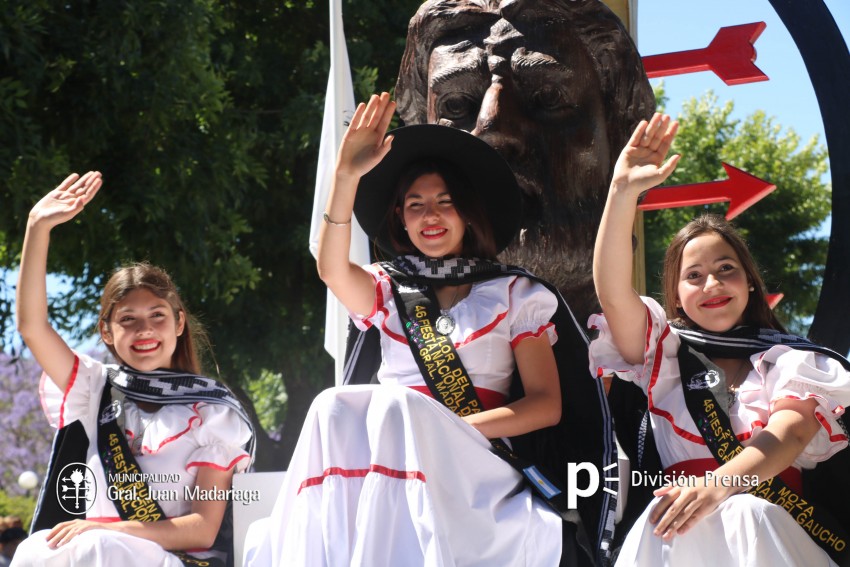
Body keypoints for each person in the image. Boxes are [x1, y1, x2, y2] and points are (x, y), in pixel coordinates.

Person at [243, 93, 616, 566]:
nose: (430, 215)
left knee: (401, 407)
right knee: (330, 404)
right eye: (415, 204)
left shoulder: (514, 294)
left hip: (476, 464)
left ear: (466, 212)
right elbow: (332, 269)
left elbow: (546, 405)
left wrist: (442, 429)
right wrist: (345, 176)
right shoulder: (387, 287)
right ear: (401, 217)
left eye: (444, 201)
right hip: (389, 459)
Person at [590, 113, 850, 566]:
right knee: (663, 516)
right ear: (675, 296)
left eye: (726, 269)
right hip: (679, 534)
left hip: (770, 529)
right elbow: (613, 293)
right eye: (694, 276)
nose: (712, 284)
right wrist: (623, 190)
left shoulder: (790, 361)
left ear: (750, 283)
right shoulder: (662, 355)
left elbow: (789, 436)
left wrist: (719, 486)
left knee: (747, 512)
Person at [12, 172, 254, 567]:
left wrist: (106, 530)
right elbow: (32, 326)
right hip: (91, 552)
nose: (144, 330)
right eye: (127, 319)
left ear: (178, 324)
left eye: (157, 316)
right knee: (35, 550)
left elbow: (201, 529)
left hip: (167, 559)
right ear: (107, 331)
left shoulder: (213, 412)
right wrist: (37, 227)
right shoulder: (94, 387)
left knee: (98, 549)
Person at [396, 0, 656, 323]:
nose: (492, 130)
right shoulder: (388, 331)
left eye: (548, 96)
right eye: (458, 105)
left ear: (621, 136)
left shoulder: (672, 362)